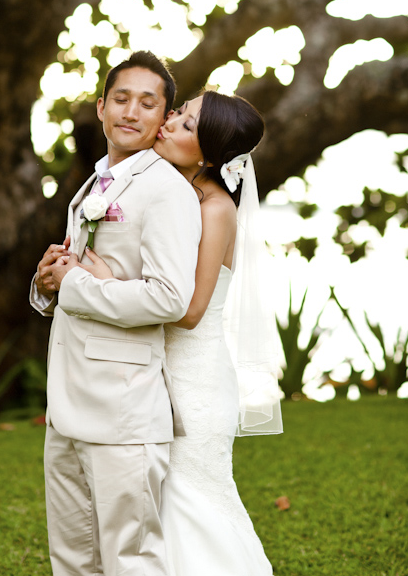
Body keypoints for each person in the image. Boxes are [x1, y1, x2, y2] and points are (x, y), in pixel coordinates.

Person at [81, 90, 283, 576]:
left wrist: (107, 283)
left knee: (194, 506)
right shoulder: (169, 194)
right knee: (154, 507)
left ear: (211, 155)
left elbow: (190, 311)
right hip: (155, 370)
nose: (168, 124)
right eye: (178, 113)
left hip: (195, 382)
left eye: (187, 125)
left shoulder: (216, 209)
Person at [30, 50, 202, 576]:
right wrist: (46, 285)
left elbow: (169, 298)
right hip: (68, 401)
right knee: (72, 558)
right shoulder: (94, 183)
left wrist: (75, 284)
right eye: (121, 99)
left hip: (123, 409)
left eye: (148, 104)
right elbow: (76, 274)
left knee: (130, 560)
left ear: (163, 118)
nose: (132, 112)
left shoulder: (168, 191)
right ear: (102, 108)